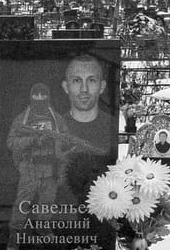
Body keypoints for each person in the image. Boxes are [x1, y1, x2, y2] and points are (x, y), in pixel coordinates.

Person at [6, 53, 116, 221]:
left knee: (47, 206)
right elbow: (12, 142)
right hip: (31, 170)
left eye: (91, 80)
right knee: (24, 204)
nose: (84, 89)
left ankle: (43, 229)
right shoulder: (28, 119)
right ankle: (16, 238)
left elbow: (64, 147)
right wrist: (35, 140)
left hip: (54, 174)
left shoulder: (60, 121)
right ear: (66, 87)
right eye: (77, 81)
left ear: (102, 86)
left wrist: (67, 154)